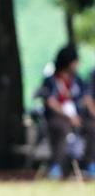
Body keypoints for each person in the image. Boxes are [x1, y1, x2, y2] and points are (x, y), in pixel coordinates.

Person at [36, 46, 85, 179]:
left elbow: (85, 98)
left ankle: (89, 164)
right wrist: (69, 117)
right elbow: (50, 102)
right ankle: (56, 167)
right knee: (62, 127)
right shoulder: (51, 81)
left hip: (78, 117)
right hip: (56, 118)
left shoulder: (77, 81)